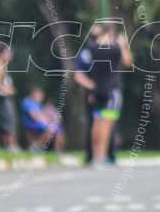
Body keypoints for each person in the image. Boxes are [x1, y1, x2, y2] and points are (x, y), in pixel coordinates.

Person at [73, 23, 133, 169]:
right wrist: (123, 45)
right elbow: (128, 61)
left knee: (96, 123)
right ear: (111, 32)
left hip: (96, 91)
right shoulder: (114, 49)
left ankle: (95, 157)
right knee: (106, 126)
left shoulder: (91, 49)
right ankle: (102, 157)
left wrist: (91, 87)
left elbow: (80, 74)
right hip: (111, 91)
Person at [21, 86, 63, 152]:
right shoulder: (27, 101)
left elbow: (41, 114)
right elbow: (33, 116)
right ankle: (38, 146)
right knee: (50, 129)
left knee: (59, 129)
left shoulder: (37, 104)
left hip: (40, 123)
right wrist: (44, 121)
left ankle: (58, 150)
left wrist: (49, 119)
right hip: (32, 124)